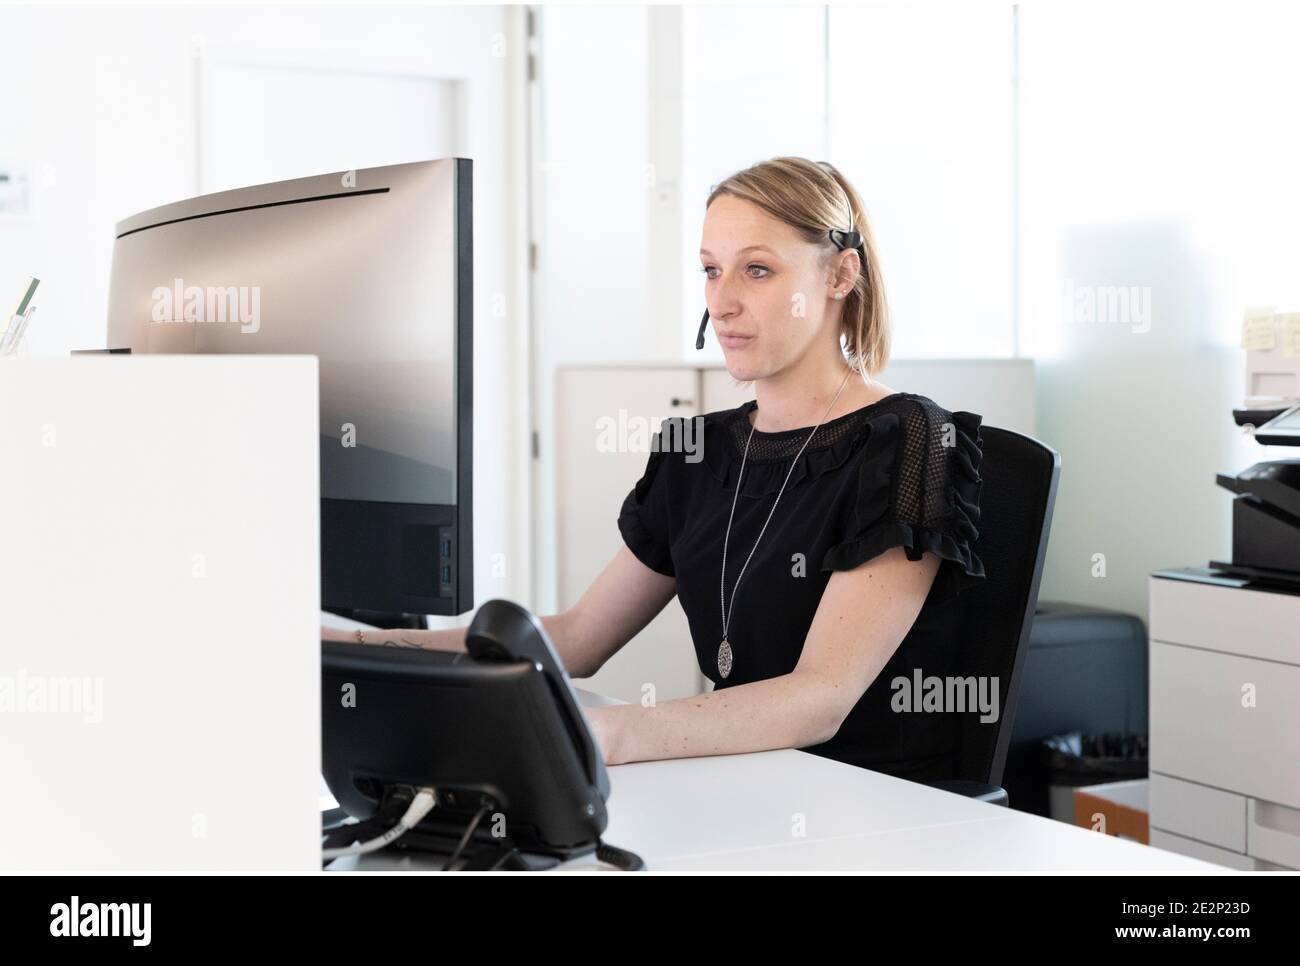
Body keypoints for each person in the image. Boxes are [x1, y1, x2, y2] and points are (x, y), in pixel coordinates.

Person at [328, 156, 985, 783]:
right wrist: (353, 649)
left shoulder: (911, 440)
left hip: (876, 811)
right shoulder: (696, 454)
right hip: (749, 788)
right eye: (710, 269)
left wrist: (609, 734)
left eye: (757, 271)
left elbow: (819, 699)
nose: (721, 301)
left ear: (841, 276)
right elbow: (577, 637)